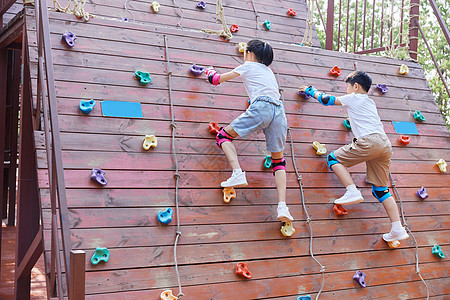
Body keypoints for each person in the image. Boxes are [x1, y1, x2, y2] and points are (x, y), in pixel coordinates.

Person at [299, 70, 409, 242]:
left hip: (369, 141)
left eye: (348, 88)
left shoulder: (354, 97)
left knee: (333, 159)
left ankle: (352, 190)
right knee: (381, 190)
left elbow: (326, 100)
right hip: (384, 144)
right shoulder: (370, 102)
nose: (347, 91)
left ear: (356, 87)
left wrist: (310, 90)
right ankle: (398, 228)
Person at [204, 39, 293, 222]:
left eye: (245, 52)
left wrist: (209, 71)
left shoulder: (248, 66)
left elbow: (216, 80)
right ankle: (283, 206)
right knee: (278, 162)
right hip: (279, 112)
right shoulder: (269, 72)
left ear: (250, 54)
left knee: (223, 136)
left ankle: (237, 173)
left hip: (262, 107)